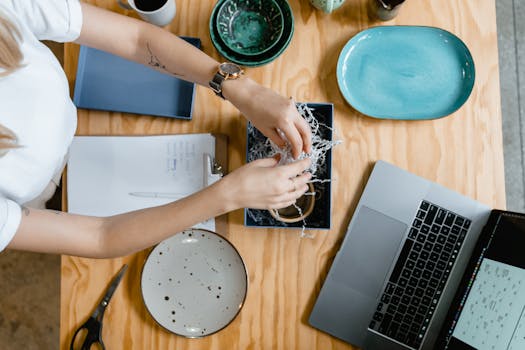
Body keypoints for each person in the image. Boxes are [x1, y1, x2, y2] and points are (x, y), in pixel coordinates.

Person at [0, 0, 312, 258]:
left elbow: (136, 39)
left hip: (70, 131)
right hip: (31, 193)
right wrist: (229, 194)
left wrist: (241, 89)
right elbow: (100, 237)